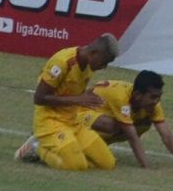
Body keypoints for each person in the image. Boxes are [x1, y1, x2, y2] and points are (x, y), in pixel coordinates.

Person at [14, 33, 119, 170]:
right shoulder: (62, 61)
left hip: (73, 123)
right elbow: (39, 98)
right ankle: (37, 148)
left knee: (108, 163)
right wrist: (79, 100)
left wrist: (85, 98)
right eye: (104, 62)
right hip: (51, 122)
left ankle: (69, 153)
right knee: (76, 165)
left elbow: (73, 93)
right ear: (94, 53)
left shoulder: (88, 66)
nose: (104, 67)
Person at [76, 70, 173, 169]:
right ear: (137, 95)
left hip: (104, 115)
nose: (156, 101)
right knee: (113, 125)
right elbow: (132, 136)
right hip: (79, 113)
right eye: (153, 97)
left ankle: (97, 147)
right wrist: (145, 166)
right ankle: (81, 143)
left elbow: (167, 135)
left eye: (159, 97)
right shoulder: (120, 98)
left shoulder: (153, 105)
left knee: (144, 124)